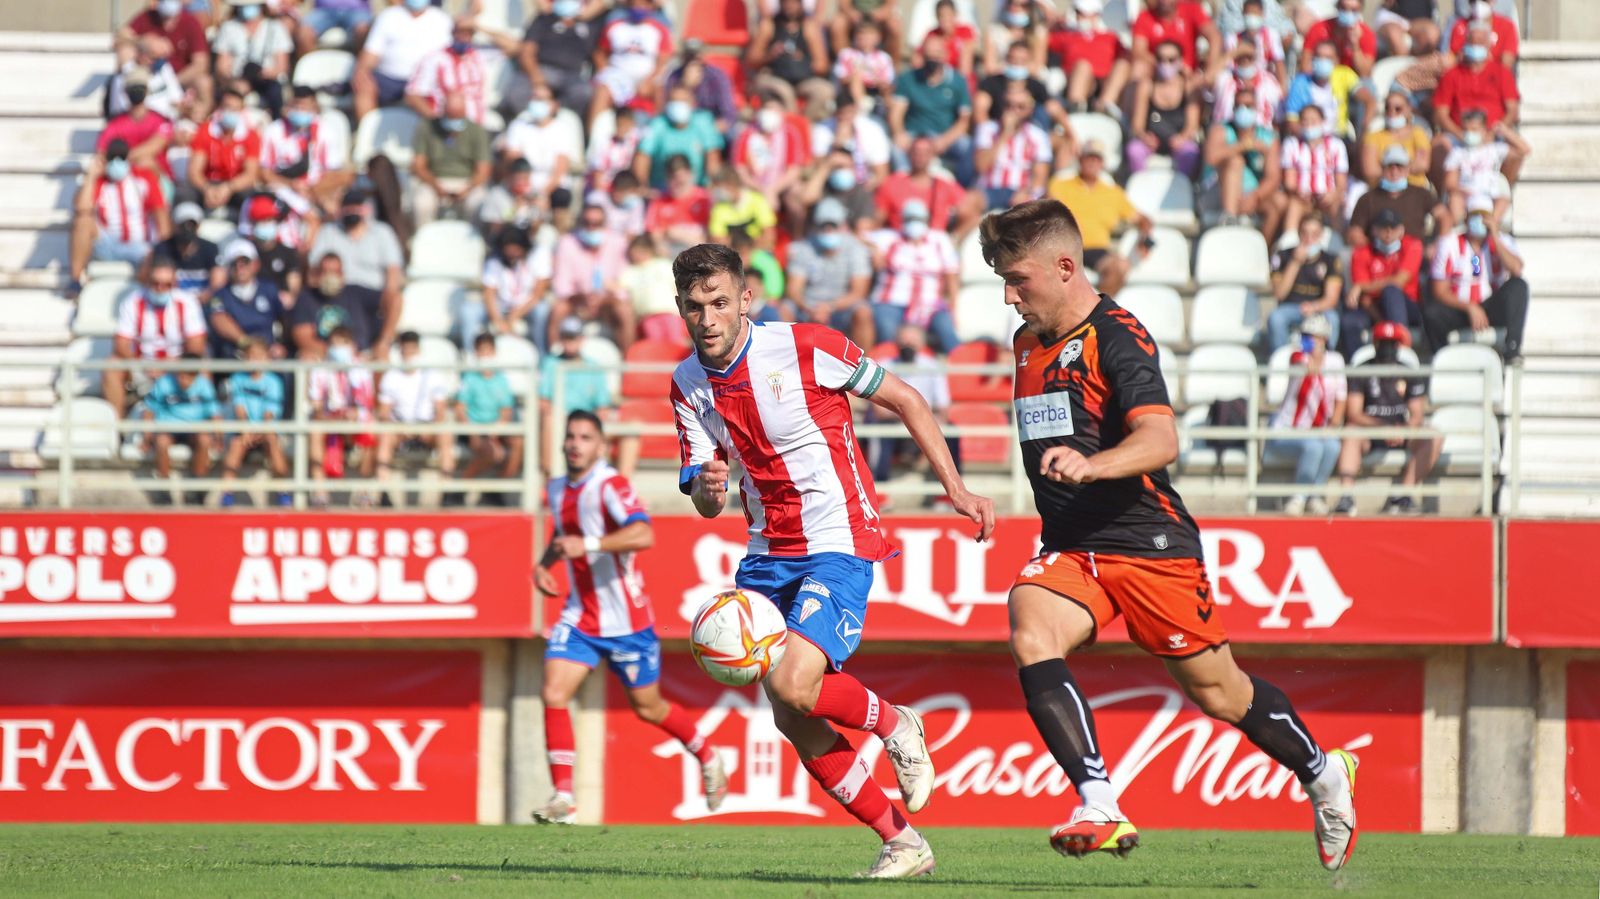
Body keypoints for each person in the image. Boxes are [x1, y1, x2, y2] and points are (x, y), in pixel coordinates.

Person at [979, 199, 1357, 866]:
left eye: (1018, 280)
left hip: (1149, 541)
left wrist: (1093, 464)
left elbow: (1161, 437)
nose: (1009, 297)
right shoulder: (1026, 344)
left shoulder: (1118, 337)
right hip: (1071, 547)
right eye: (1003, 282)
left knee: (1221, 692)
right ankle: (1099, 799)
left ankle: (1324, 773)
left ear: (1065, 267)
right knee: (1029, 626)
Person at [671, 242, 994, 877]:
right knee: (790, 711)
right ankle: (903, 843)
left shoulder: (807, 345)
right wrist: (707, 491)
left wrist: (955, 487)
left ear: (745, 299)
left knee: (794, 682)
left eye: (717, 303)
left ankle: (895, 723)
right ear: (679, 309)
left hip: (837, 538)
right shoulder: (686, 383)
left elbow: (906, 398)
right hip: (765, 553)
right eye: (692, 307)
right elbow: (704, 494)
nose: (706, 318)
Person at [532, 409, 727, 824]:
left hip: (627, 622)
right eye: (570, 436)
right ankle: (563, 798)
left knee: (649, 708)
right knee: (552, 693)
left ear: (601, 446)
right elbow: (563, 532)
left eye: (585, 437)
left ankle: (708, 756)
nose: (574, 444)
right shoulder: (556, 489)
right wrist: (544, 564)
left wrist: (586, 544)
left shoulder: (610, 485)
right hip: (580, 616)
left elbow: (644, 534)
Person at [1334, 322, 1437, 516]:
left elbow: (1417, 414)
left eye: (1391, 343)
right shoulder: (1362, 371)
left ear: (1399, 345)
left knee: (1434, 436)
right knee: (1350, 431)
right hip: (1370, 432)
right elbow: (1354, 413)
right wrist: (1382, 428)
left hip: (1400, 431)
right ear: (1374, 344)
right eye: (1383, 343)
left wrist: (1403, 429)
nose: (1387, 349)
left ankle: (1403, 495)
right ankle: (1346, 496)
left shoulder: (1409, 372)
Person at [1424, 193, 1529, 361]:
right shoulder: (1449, 243)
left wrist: (1495, 236)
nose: (1480, 221)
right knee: (1432, 313)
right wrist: (1469, 307)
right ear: (1466, 219)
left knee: (1519, 286)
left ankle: (1512, 349)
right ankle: (1441, 359)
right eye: (1475, 216)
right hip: (1460, 308)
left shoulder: (1503, 241)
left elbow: (1516, 269)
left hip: (1490, 305)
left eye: (1484, 216)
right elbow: (1439, 290)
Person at [1045, 140, 1152, 298]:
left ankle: (1098, 312)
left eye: (1097, 159)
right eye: (1089, 158)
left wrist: (1145, 238)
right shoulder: (1061, 185)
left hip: (1096, 249)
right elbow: (1047, 209)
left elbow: (1141, 219)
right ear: (1080, 160)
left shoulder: (1112, 192)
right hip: (1065, 246)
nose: (1092, 163)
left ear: (1103, 163)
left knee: (1120, 266)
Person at [1264, 314, 1347, 513]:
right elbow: (1307, 367)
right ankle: (1298, 498)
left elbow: (1341, 397)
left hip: (1318, 429)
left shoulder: (1336, 360)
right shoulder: (1297, 356)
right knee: (1313, 447)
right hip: (1287, 430)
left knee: (1332, 446)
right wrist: (1313, 354)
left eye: (1314, 336)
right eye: (1306, 335)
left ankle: (1314, 496)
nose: (1308, 340)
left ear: (1325, 339)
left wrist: (1333, 425)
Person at [307, 189, 403, 360]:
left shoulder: (382, 232)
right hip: (338, 292)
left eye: (356, 207)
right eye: (348, 207)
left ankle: (384, 342)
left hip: (372, 295)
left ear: (366, 210)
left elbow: (393, 272)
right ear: (341, 209)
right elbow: (313, 269)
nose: (352, 211)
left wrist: (387, 296)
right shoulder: (329, 231)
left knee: (395, 298)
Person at [106, 256, 207, 417]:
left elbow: (197, 346)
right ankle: (117, 430)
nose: (160, 288)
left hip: (178, 365)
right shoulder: (132, 301)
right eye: (155, 283)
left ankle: (200, 426)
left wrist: (170, 365)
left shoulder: (187, 303)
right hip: (141, 365)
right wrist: (143, 365)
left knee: (205, 367)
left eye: (166, 284)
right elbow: (121, 344)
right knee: (112, 366)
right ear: (148, 282)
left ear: (174, 284)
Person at [868, 322, 957, 495]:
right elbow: (879, 411)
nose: (907, 346)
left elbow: (943, 407)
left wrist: (926, 420)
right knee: (877, 431)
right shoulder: (884, 365)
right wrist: (910, 416)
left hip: (923, 421)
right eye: (903, 341)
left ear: (921, 344)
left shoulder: (932, 366)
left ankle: (949, 493)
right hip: (893, 422)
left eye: (912, 341)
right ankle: (879, 491)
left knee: (951, 432)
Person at [70, 142, 169, 296]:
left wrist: (162, 249)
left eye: (121, 158)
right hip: (107, 243)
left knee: (153, 255)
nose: (117, 162)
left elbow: (160, 214)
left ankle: (138, 295)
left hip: (139, 247)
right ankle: (75, 280)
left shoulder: (143, 178)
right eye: (112, 158)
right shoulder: (100, 182)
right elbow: (82, 208)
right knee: (83, 221)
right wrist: (91, 176)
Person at [866, 199, 961, 352]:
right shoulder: (887, 237)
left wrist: (953, 309)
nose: (914, 223)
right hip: (891, 301)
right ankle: (887, 369)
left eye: (918, 219)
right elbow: (858, 236)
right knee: (887, 331)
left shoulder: (940, 240)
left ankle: (958, 373)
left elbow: (952, 276)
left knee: (948, 334)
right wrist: (873, 251)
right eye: (910, 219)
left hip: (931, 304)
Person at [782, 198, 875, 347]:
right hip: (809, 306)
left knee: (863, 312)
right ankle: (785, 362)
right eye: (824, 227)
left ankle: (865, 364)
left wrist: (829, 307)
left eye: (833, 226)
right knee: (784, 309)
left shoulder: (856, 248)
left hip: (841, 308)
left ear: (842, 225)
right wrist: (809, 307)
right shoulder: (804, 247)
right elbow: (793, 289)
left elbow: (859, 291)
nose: (828, 231)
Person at [375, 331, 457, 497]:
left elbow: (440, 411)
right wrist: (399, 428)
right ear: (400, 352)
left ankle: (446, 491)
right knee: (385, 437)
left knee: (445, 435)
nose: (409, 355)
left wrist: (428, 428)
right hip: (399, 428)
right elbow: (384, 412)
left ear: (419, 351)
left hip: (427, 427)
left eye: (412, 350)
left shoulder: (433, 375)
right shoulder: (391, 376)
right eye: (406, 350)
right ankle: (383, 492)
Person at [891, 32, 976, 187]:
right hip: (914, 134)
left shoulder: (957, 81)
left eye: (936, 54)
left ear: (945, 55)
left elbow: (964, 120)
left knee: (967, 145)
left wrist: (944, 140)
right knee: (896, 148)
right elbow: (896, 113)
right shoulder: (908, 79)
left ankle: (963, 189)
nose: (932, 59)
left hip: (944, 135)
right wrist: (899, 133)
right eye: (928, 55)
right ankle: (903, 188)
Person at [306, 325, 377, 507]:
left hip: (354, 421)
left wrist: (352, 415)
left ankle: (363, 491)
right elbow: (317, 407)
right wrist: (333, 418)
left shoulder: (361, 369)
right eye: (334, 344)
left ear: (352, 345)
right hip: (330, 420)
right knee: (315, 431)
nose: (338, 348)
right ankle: (320, 492)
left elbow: (365, 404)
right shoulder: (320, 369)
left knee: (372, 431)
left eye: (343, 343)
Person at [219, 338, 291, 508]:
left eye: (259, 355)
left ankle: (284, 490)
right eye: (251, 355)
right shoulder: (237, 379)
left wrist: (261, 430)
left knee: (273, 441)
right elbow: (240, 408)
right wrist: (246, 430)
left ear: (267, 357)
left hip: (266, 429)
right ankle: (227, 493)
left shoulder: (274, 381)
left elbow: (270, 413)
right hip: (244, 428)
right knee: (237, 444)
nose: (256, 359)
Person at [141, 353, 220, 506]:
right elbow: (149, 411)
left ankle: (197, 488)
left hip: (194, 429)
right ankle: (164, 488)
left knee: (204, 440)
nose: (184, 381)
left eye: (189, 377)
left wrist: (219, 438)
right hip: (168, 429)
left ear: (196, 375)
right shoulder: (163, 383)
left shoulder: (204, 385)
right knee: (162, 442)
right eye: (181, 376)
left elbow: (215, 414)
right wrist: (147, 437)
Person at [551, 204, 633, 349]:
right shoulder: (567, 243)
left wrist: (604, 298)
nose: (591, 227)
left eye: (596, 223)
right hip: (578, 300)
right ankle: (553, 361)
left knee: (624, 309)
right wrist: (583, 298)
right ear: (580, 223)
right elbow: (562, 285)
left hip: (607, 301)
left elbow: (624, 282)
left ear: (605, 224)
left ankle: (628, 363)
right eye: (587, 222)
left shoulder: (618, 243)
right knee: (558, 309)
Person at [352, 0, 450, 121]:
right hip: (388, 79)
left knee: (421, 95)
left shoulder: (441, 20)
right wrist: (362, 71)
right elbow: (371, 53)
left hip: (425, 82)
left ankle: (434, 133)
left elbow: (447, 57)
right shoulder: (388, 16)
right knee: (363, 86)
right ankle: (367, 134)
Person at [1202, 90, 1284, 234]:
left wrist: (1255, 196)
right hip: (1218, 193)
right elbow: (1210, 158)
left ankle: (1263, 250)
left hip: (1251, 195)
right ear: (1233, 108)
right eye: (1239, 106)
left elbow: (1273, 177)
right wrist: (1243, 145)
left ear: (1256, 108)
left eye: (1248, 106)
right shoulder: (1220, 130)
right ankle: (1229, 218)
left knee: (1278, 203)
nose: (1243, 110)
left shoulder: (1268, 137)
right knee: (1235, 161)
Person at [1346, 208, 1426, 354]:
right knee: (1350, 322)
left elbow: (1399, 282)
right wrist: (1382, 321)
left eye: (1393, 228)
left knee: (1391, 292)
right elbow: (1364, 299)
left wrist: (1362, 286)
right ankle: (1357, 370)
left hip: (1407, 306)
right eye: (1383, 228)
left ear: (1401, 230)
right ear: (1374, 230)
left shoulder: (1412, 245)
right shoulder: (1362, 253)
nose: (1388, 232)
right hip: (1374, 308)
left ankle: (1402, 348)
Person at [587, 0, 675, 130]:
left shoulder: (659, 29)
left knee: (660, 91)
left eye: (643, 4)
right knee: (602, 92)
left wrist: (649, 80)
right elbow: (600, 53)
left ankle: (656, 134)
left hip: (646, 77)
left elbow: (664, 59)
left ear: (650, 7)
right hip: (618, 76)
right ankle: (592, 136)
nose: (638, 7)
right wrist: (605, 70)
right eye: (635, 4)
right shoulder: (615, 26)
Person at [455, 332, 524, 496]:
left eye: (488, 350)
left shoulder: (501, 379)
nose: (485, 355)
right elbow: (460, 409)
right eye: (481, 351)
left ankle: (497, 490)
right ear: (476, 353)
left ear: (494, 352)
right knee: (494, 452)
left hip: (495, 429)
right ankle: (460, 487)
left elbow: (506, 411)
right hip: (474, 429)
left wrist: (497, 430)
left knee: (518, 444)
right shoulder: (469, 378)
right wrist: (472, 432)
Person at [411, 91, 492, 226]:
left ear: (465, 112)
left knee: (477, 203)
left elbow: (483, 171)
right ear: (443, 111)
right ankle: (422, 241)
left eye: (458, 116)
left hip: (466, 182)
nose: (454, 121)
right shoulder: (426, 127)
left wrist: (467, 189)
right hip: (434, 181)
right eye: (451, 115)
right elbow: (418, 166)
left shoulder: (477, 131)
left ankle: (476, 242)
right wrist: (436, 186)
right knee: (421, 203)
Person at [118, 0, 212, 117]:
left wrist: (174, 82)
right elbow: (121, 36)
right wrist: (144, 42)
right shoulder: (147, 17)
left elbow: (200, 63)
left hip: (177, 78)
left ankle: (198, 125)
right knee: (125, 50)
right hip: (148, 76)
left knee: (203, 84)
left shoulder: (191, 22)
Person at [1442, 109, 1529, 233]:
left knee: (1503, 199)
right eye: (1466, 130)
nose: (1469, 133)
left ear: (1483, 130)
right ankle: (1460, 231)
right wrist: (1465, 191)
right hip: (1465, 195)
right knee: (1454, 198)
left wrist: (1505, 131)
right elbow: (1449, 183)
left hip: (1490, 194)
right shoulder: (1457, 153)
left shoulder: (1494, 150)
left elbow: (1524, 150)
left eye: (1474, 130)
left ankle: (1491, 230)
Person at [1267, 213, 1343, 351]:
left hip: (1318, 308)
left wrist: (1313, 307)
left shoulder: (1330, 260)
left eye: (1314, 234)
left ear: (1321, 235)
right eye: (1305, 233)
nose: (1309, 239)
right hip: (1290, 307)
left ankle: (1326, 359)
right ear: (1298, 233)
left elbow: (1331, 299)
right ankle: (1282, 361)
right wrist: (1295, 262)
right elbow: (1279, 294)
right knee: (1276, 318)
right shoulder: (1282, 256)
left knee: (1333, 318)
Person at [1128, 40, 1202, 177]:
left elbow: (1193, 125)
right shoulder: (1146, 86)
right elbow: (1137, 124)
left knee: (1190, 153)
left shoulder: (1188, 87)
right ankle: (1139, 189)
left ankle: (1182, 191)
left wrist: (1182, 138)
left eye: (1171, 59)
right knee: (1134, 150)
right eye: (1161, 59)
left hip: (1179, 142)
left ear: (1180, 61)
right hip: (1151, 143)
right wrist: (1144, 137)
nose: (1165, 64)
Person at [465, 227, 552, 344]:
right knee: (469, 311)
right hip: (500, 307)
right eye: (508, 250)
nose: (512, 254)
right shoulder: (494, 260)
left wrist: (513, 317)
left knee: (542, 310)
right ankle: (470, 355)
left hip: (526, 307)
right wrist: (499, 321)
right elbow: (489, 294)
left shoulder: (538, 255)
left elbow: (538, 294)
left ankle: (542, 353)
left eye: (516, 250)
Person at [292, 252, 386, 359]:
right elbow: (302, 337)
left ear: (342, 274)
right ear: (317, 274)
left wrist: (384, 340)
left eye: (334, 272)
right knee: (305, 357)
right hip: (324, 358)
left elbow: (394, 299)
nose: (330, 276)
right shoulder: (306, 297)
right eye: (325, 272)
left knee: (381, 357)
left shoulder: (356, 293)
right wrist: (335, 353)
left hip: (360, 357)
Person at [1348, 145, 1444, 249]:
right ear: (1382, 168)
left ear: (1407, 169)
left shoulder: (1421, 194)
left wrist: (1436, 246)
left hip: (1414, 255)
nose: (1394, 172)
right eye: (1389, 166)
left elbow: (1443, 216)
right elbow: (1354, 233)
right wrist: (1374, 252)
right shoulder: (1367, 199)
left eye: (1399, 166)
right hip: (1378, 257)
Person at [1278, 103, 1347, 245]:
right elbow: (1289, 181)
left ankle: (1337, 246)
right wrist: (1299, 192)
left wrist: (1332, 194)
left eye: (1314, 121)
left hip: (1327, 198)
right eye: (1305, 121)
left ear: (1322, 122)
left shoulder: (1336, 145)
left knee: (1336, 205)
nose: (1309, 125)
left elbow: (1341, 183)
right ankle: (1288, 245)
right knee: (1294, 205)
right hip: (1301, 197)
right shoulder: (1292, 144)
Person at [974, 86, 1052, 211]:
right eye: (1008, 105)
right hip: (990, 189)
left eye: (1020, 106)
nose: (1013, 110)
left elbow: (1039, 178)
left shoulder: (1038, 136)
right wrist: (1004, 135)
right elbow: (981, 166)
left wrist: (1027, 192)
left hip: (1021, 190)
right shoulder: (987, 129)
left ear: (1029, 110)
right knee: (968, 203)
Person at [1433, 27, 1519, 139]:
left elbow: (1512, 111)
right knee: (1439, 145)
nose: (1475, 44)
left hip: (1495, 135)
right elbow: (1441, 114)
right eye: (1471, 41)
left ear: (1488, 44)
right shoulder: (1451, 74)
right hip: (1458, 135)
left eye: (1480, 41)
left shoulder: (1502, 73)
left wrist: (1491, 135)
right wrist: (1461, 135)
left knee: (1516, 149)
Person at [207, 238, 286, 360]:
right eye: (235, 263)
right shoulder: (221, 294)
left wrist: (281, 344)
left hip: (268, 354)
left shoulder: (269, 289)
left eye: (245, 262)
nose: (240, 268)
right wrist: (246, 343)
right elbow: (219, 319)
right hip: (235, 356)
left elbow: (283, 319)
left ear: (255, 264)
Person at [633, 85, 724, 190]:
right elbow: (642, 156)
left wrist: (710, 187)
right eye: (674, 100)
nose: (678, 105)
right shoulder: (657, 124)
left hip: (696, 190)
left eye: (683, 100)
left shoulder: (703, 122)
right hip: (662, 191)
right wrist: (643, 187)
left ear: (692, 102)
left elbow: (712, 158)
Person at [212, 0, 292, 119]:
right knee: (229, 96)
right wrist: (234, 81)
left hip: (267, 80)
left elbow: (282, 66)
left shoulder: (275, 27)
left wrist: (265, 73)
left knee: (275, 91)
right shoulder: (229, 27)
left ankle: (277, 121)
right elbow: (222, 66)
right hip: (238, 79)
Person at [730, 94, 812, 210]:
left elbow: (793, 171)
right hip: (753, 183)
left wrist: (773, 189)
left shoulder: (790, 134)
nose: (771, 113)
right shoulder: (746, 133)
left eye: (775, 110)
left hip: (781, 183)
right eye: (768, 109)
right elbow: (740, 169)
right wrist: (760, 188)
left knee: (796, 194)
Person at [1047, 0, 1129, 115]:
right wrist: (1054, 23)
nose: (1083, 18)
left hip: (1104, 81)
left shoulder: (1110, 37)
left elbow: (1127, 56)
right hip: (1076, 79)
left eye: (1088, 14)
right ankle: (1076, 108)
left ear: (1097, 15)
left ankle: (1105, 106)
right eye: (1080, 13)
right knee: (1083, 66)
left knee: (1123, 64)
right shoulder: (1067, 35)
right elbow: (1042, 40)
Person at [519, 0, 599, 117]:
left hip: (573, 75)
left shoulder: (590, 24)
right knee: (518, 91)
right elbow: (527, 52)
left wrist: (555, 105)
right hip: (544, 69)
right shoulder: (544, 19)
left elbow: (603, 4)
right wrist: (538, 81)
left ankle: (559, 118)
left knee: (584, 93)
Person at [187, 88, 261, 214]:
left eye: (235, 109)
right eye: (227, 107)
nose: (231, 112)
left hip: (235, 185)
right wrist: (207, 189)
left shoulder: (250, 136)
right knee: (185, 195)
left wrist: (228, 188)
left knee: (252, 199)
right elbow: (194, 171)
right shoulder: (206, 131)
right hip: (208, 182)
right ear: (219, 108)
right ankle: (187, 229)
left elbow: (250, 174)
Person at [745, 0, 831, 104]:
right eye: (786, 2)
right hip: (775, 76)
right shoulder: (769, 25)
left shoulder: (809, 27)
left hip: (802, 78)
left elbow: (822, 65)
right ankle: (791, 118)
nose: (789, 6)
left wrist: (802, 60)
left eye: (793, 2)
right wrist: (770, 55)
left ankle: (805, 119)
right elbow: (751, 60)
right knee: (784, 92)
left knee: (825, 91)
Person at [406, 17, 487, 124]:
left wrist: (480, 28)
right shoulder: (435, 59)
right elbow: (412, 95)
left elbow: (512, 47)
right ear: (452, 32)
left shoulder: (480, 55)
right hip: (444, 126)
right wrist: (434, 122)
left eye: (468, 33)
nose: (463, 36)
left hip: (475, 126)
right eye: (460, 32)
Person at [1131, 0, 1221, 90]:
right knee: (1138, 68)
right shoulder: (1144, 17)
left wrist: (1210, 70)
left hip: (1189, 75)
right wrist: (1169, 64)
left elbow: (1214, 37)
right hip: (1158, 72)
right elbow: (1138, 51)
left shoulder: (1191, 9)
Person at [148, 201, 221, 298]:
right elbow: (157, 280)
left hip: (202, 302)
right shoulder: (163, 248)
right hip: (173, 303)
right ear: (175, 225)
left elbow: (217, 283)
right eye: (183, 225)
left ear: (198, 226)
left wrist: (200, 299)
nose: (187, 229)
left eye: (191, 225)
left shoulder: (210, 249)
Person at [644, 155, 712, 258]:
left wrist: (680, 235)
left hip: (702, 257)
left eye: (681, 181)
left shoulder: (705, 199)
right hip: (671, 259)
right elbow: (656, 240)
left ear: (690, 174)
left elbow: (712, 238)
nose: (677, 185)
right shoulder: (659, 202)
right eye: (672, 179)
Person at [1361, 89, 1430, 191]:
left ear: (1408, 109)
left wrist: (1387, 169)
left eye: (1398, 109)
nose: (1392, 112)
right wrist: (1406, 168)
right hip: (1382, 191)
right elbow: (1370, 171)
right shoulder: (1373, 137)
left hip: (1415, 190)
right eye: (1387, 108)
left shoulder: (1418, 133)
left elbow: (1423, 165)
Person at [1301, 0, 1376, 78]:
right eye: (1344, 8)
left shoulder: (1366, 34)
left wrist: (1355, 46)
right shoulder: (1319, 28)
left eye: (1353, 10)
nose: (1348, 13)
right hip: (1320, 80)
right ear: (1338, 6)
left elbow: (1365, 74)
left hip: (1351, 82)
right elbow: (1305, 66)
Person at [835, 19, 897, 110]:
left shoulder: (884, 58)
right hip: (850, 91)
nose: (866, 39)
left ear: (878, 38)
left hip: (876, 90)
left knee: (889, 91)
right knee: (856, 78)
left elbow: (888, 82)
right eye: (862, 35)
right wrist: (861, 77)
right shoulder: (846, 54)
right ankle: (862, 108)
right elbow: (841, 78)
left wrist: (877, 81)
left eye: (870, 35)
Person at [708, 167, 779, 246]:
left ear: (731, 184)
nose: (717, 191)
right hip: (732, 254)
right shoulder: (718, 209)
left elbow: (769, 236)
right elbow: (718, 240)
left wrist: (749, 249)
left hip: (757, 252)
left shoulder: (757, 200)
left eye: (719, 187)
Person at [1448, 0, 1517, 68]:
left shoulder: (1507, 26)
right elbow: (1452, 59)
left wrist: (1485, 61)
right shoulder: (1459, 26)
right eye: (1473, 1)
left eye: (1484, 0)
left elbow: (1507, 63)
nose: (1478, 3)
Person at [296, 0, 374, 56]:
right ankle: (310, 73)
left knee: (363, 31)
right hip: (323, 10)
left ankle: (361, 73)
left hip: (357, 10)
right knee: (304, 33)